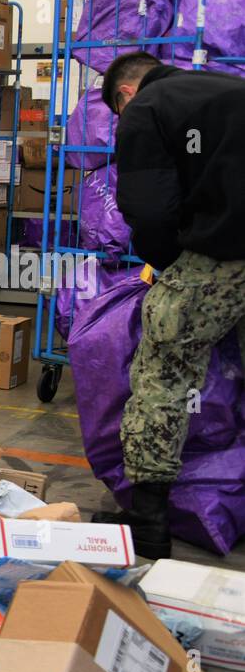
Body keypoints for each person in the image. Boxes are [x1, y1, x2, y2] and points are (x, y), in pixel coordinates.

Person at [94, 51, 245, 559]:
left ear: (125, 94)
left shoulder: (145, 108)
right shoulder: (224, 88)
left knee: (164, 373)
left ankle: (148, 521)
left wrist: (167, 265)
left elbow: (150, 207)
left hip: (222, 256)